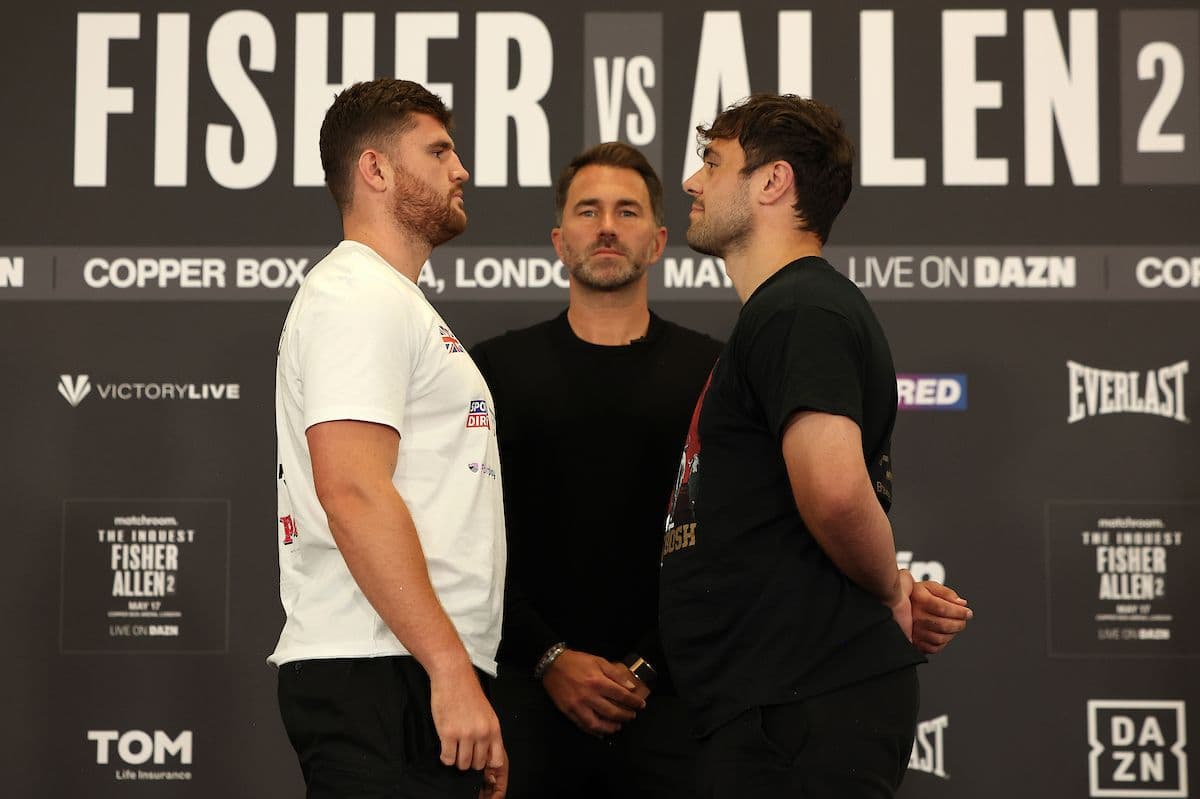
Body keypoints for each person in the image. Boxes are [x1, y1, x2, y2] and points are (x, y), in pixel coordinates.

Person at [473, 142, 969, 798]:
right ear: (559, 239)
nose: (607, 226)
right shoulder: (488, 373)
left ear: (658, 238)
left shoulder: (719, 370)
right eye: (588, 211)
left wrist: (648, 665)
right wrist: (548, 657)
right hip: (527, 696)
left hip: (687, 698)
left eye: (627, 211)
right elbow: (461, 539)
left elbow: (777, 525)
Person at [658, 93, 962, 799]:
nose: (693, 182)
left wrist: (893, 591)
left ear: (772, 182)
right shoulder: (788, 311)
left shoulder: (800, 308)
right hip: (775, 704)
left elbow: (832, 488)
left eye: (712, 162)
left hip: (801, 707)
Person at [270, 78, 506, 799]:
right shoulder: (357, 294)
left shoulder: (389, 298)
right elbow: (352, 489)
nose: (460, 169)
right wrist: (449, 669)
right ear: (374, 169)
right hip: (382, 667)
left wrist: (456, 667)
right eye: (438, 152)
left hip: (400, 665)